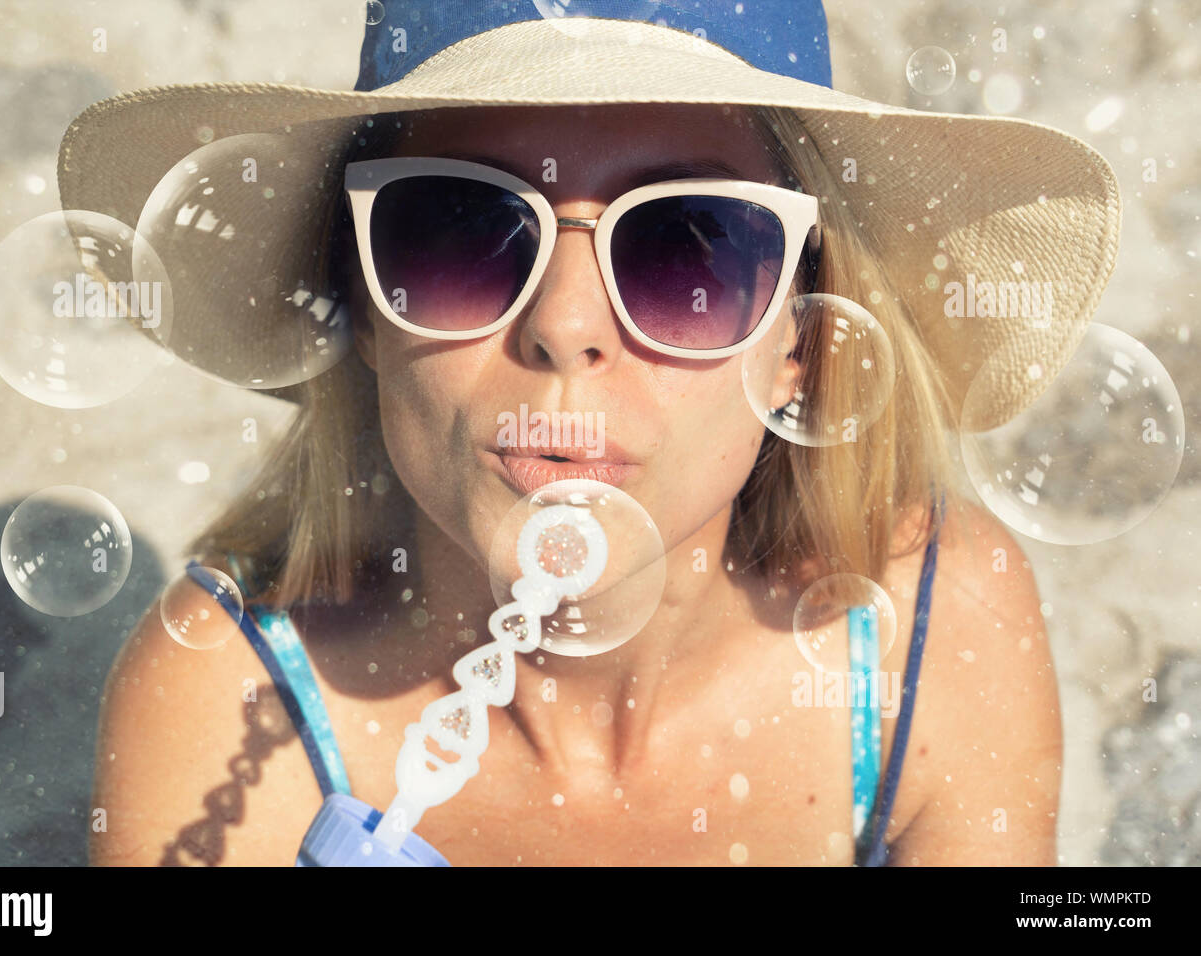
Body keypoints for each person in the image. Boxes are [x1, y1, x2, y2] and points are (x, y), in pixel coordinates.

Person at [59, 1, 1120, 866]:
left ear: (800, 340)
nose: (564, 328)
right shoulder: (227, 705)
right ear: (363, 305)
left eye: (689, 247)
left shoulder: (928, 634)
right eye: (459, 230)